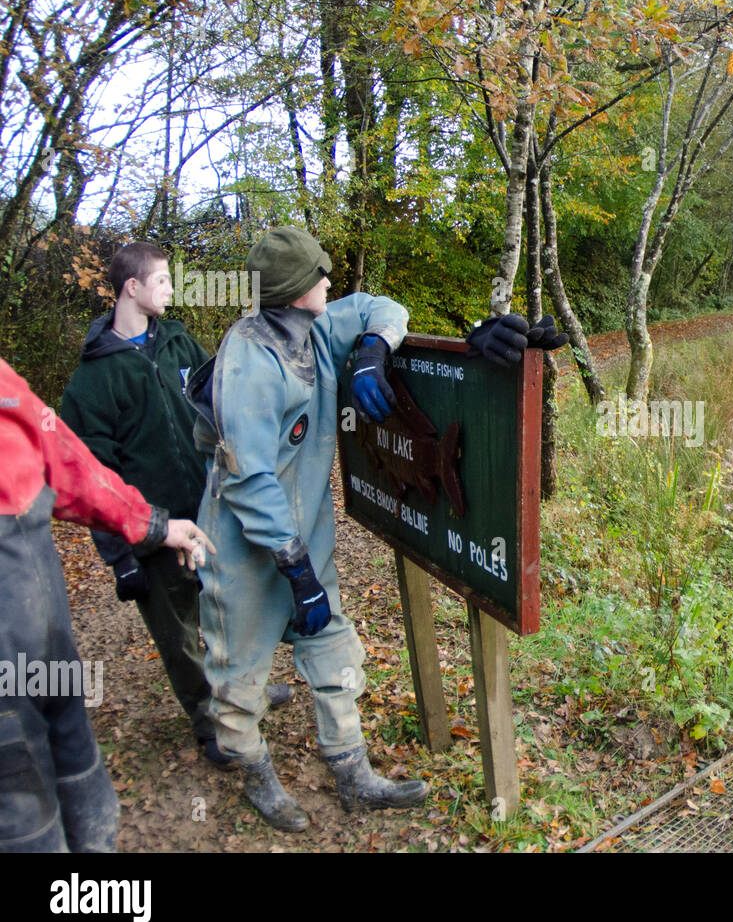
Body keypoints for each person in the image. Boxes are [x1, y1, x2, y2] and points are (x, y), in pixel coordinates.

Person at [186, 226, 566, 831]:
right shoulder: (248, 362)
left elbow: (377, 307)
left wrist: (372, 348)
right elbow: (249, 480)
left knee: (333, 654)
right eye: (319, 275)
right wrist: (295, 570)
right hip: (242, 549)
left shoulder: (313, 330)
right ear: (290, 290)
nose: (330, 282)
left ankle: (353, 775)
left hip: (305, 538)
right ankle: (255, 773)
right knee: (239, 673)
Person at [60, 242, 289, 770]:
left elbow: (218, 401)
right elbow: (89, 476)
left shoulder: (182, 343)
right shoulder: (93, 380)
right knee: (181, 631)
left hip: (209, 510)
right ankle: (210, 721)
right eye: (161, 281)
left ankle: (244, 694)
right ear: (131, 288)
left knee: (226, 610)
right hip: (153, 528)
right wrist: (120, 555)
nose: (170, 289)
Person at [0, 354, 214, 852]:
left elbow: (67, 461)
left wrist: (153, 524)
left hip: (49, 656)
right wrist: (126, 556)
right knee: (25, 824)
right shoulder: (94, 376)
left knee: (85, 799)